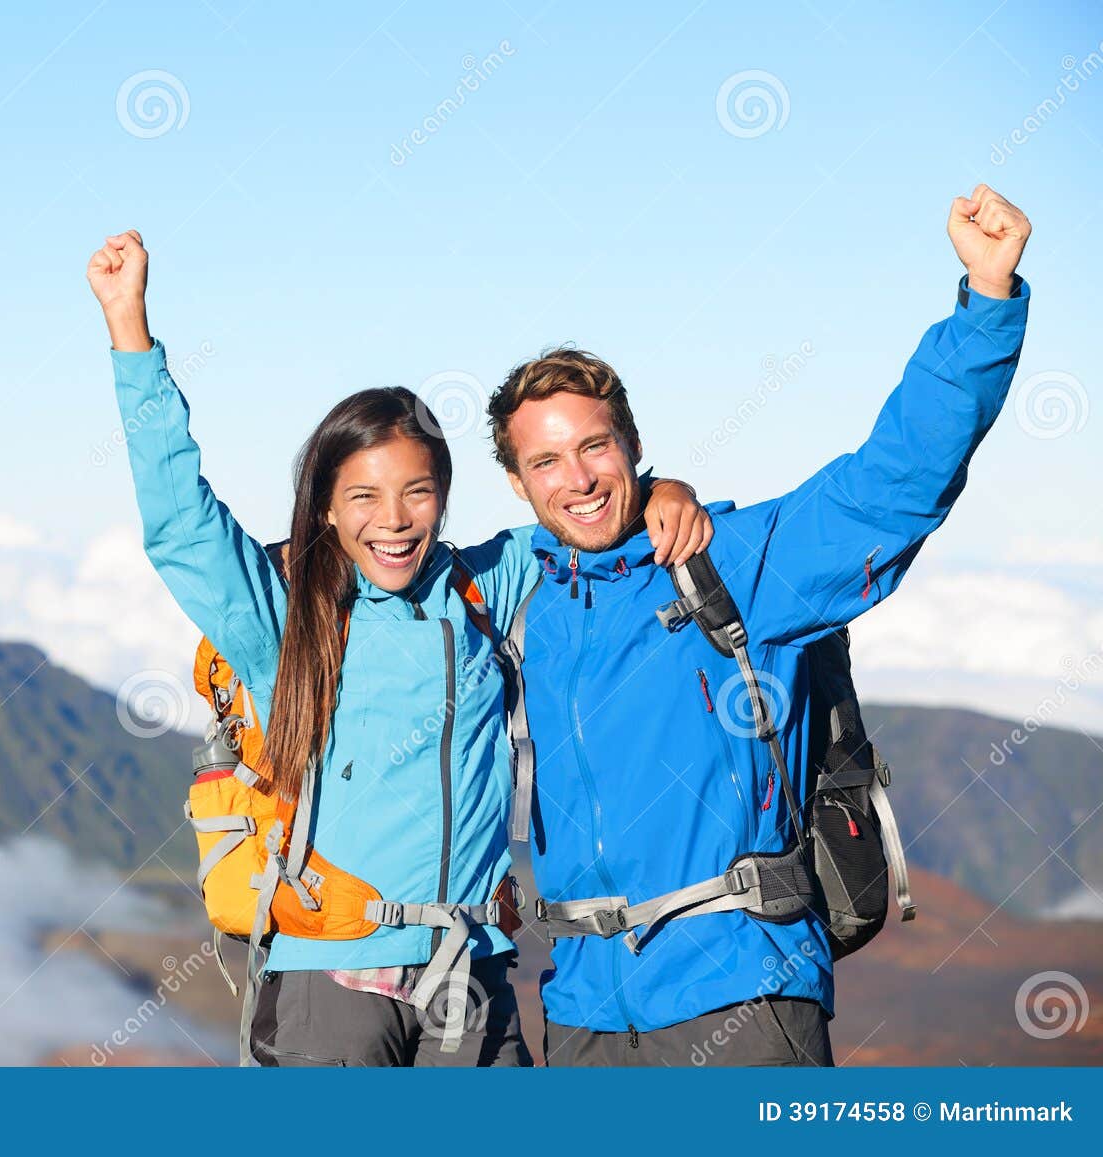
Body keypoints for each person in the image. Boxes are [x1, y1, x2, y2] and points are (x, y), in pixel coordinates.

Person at [86, 229, 712, 1066]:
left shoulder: (490, 585)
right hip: (329, 979)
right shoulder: (286, 618)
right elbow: (179, 523)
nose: (393, 518)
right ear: (326, 509)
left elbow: (584, 511)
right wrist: (131, 331)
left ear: (446, 498)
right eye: (365, 496)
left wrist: (662, 487)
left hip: (472, 977)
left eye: (417, 491)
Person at [489, 184, 1031, 1065]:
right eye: (545, 460)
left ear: (630, 441)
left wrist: (985, 308)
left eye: (594, 446)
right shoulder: (520, 602)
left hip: (743, 995)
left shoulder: (732, 560)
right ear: (518, 483)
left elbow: (889, 487)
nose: (578, 479)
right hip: (584, 1012)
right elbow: (378, 567)